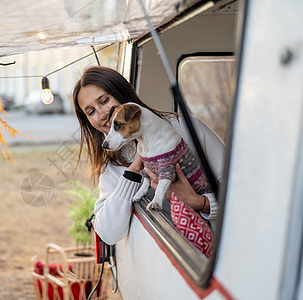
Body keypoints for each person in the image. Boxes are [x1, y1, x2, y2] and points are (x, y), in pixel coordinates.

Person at [72, 65, 225, 247]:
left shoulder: (186, 128)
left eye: (104, 101)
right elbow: (109, 233)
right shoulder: (113, 167)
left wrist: (199, 202)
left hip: (215, 253)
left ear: (122, 93)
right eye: (91, 112)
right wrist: (132, 173)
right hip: (158, 262)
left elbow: (239, 190)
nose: (102, 113)